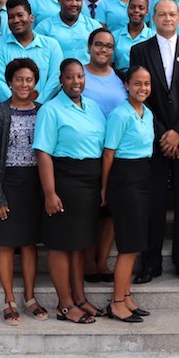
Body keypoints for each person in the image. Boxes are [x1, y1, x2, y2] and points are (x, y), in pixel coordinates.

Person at [129, 0, 179, 285]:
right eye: (161, 14)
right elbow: (140, 94)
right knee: (154, 203)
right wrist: (164, 133)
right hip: (154, 139)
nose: (167, 18)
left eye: (172, 14)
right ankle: (150, 264)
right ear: (153, 17)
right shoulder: (140, 50)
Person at [34, 59, 107, 324]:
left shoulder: (94, 107)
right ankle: (64, 304)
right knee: (61, 245)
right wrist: (50, 193)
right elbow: (43, 153)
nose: (76, 82)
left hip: (89, 185)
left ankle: (80, 297)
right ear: (61, 80)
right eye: (70, 77)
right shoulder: (51, 110)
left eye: (80, 76)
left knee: (79, 246)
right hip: (65, 182)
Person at [0, 58, 48, 326]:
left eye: (29, 79)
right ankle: (9, 299)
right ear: (9, 82)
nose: (24, 84)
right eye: (19, 79)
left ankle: (30, 297)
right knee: (7, 244)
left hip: (34, 185)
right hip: (8, 183)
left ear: (35, 83)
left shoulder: (43, 111)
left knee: (29, 243)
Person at [101, 65, 155, 323]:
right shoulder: (119, 115)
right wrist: (105, 187)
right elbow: (109, 152)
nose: (142, 88)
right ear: (126, 85)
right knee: (127, 245)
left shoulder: (148, 113)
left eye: (146, 84)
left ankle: (127, 295)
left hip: (143, 175)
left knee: (136, 242)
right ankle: (116, 302)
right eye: (137, 83)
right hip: (124, 178)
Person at [81, 27, 127, 283]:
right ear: (89, 47)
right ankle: (88, 261)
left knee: (110, 208)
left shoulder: (119, 77)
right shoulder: (80, 75)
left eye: (109, 46)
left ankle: (102, 261)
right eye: (98, 44)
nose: (103, 50)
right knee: (90, 208)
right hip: (88, 152)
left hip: (117, 152)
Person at [0, 0, 64, 103]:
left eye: (20, 15)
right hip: (11, 111)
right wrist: (19, 107)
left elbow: (55, 80)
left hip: (45, 108)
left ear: (31, 17)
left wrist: (36, 105)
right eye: (11, 17)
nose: (16, 20)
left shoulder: (51, 45)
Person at [35, 0, 102, 65]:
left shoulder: (95, 26)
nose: (74, 4)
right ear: (59, 0)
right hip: (57, 76)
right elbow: (38, 56)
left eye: (78, 0)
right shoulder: (44, 28)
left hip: (88, 76)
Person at [111, 0, 155, 71]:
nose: (136, 11)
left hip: (145, 80)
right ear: (127, 9)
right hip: (120, 79)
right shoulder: (114, 36)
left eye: (141, 8)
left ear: (147, 12)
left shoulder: (153, 36)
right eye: (132, 7)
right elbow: (110, 64)